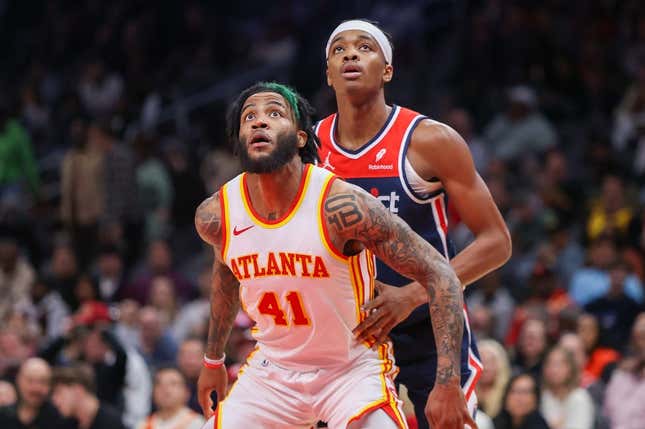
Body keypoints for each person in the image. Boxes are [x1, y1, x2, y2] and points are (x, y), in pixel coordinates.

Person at [195, 82, 473, 428]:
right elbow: (225, 273)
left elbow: (441, 274)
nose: (259, 122)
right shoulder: (217, 215)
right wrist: (213, 360)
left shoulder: (340, 206)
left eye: (274, 113)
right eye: (249, 116)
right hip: (274, 372)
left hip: (350, 371)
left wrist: (447, 383)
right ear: (239, 139)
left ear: (300, 137)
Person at [316, 19, 511, 428]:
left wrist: (410, 295)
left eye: (365, 47)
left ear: (387, 70)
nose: (350, 54)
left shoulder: (430, 140)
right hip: (350, 335)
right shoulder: (308, 150)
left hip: (428, 329)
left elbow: (497, 242)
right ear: (329, 73)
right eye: (339, 50)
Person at [0, 358, 72, 429]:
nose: (36, 388)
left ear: (50, 385)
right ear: (19, 380)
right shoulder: (3, 415)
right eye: (30, 380)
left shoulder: (59, 417)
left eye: (43, 382)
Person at [51, 364, 125, 429]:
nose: (54, 400)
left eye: (58, 392)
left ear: (78, 390)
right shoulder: (68, 423)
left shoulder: (111, 422)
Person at [540, 346, 595, 429]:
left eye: (559, 364)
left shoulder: (579, 398)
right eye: (550, 364)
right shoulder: (543, 396)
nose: (554, 370)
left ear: (570, 369)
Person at [137, 367, 204, 429]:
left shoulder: (198, 424)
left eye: (173, 384)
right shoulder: (143, 424)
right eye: (159, 384)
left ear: (187, 392)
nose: (166, 389)